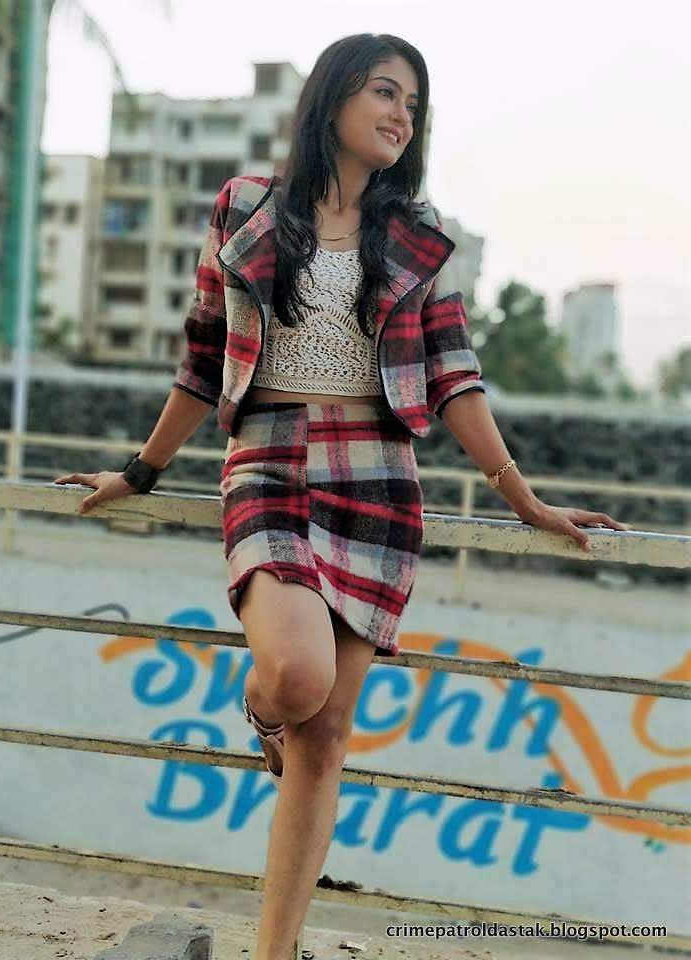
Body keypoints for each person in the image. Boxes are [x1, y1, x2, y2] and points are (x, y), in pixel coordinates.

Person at [54, 33, 629, 960]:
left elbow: (454, 375)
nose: (403, 116)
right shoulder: (244, 206)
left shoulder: (418, 233)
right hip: (269, 459)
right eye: (386, 93)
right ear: (334, 98)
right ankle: (261, 708)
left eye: (414, 104)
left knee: (324, 739)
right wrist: (141, 470)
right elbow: (204, 357)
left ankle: (273, 951)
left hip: (378, 477)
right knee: (297, 679)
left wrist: (524, 499)